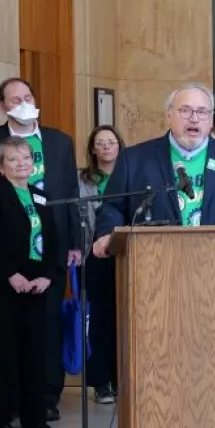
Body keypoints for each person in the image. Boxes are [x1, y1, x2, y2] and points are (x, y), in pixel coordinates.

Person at [0, 78, 80, 421]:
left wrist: (74, 243)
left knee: (46, 327)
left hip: (48, 254)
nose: (24, 104)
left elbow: (70, 195)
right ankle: (7, 403)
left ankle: (45, 397)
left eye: (28, 97)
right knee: (5, 334)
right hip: (4, 255)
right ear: (2, 107)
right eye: (15, 100)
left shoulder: (60, 141)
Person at [94, 84, 215, 242]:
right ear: (169, 116)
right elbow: (111, 208)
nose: (194, 118)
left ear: (211, 119)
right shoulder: (134, 159)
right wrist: (107, 234)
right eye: (185, 110)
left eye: (202, 112)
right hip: (155, 261)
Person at [0, 138, 63, 428]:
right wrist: (11, 275)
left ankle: (34, 416)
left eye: (26, 157)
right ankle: (0, 417)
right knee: (4, 351)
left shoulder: (40, 195)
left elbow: (53, 240)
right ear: (1, 167)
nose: (22, 163)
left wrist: (47, 276)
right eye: (13, 159)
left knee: (34, 350)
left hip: (35, 284)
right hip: (2, 283)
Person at [79, 124, 124, 405]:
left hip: (126, 254)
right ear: (93, 149)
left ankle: (122, 378)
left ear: (120, 146)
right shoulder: (82, 180)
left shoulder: (129, 175)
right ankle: (101, 381)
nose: (107, 147)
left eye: (111, 142)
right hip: (93, 255)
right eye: (100, 143)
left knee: (125, 318)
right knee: (100, 318)